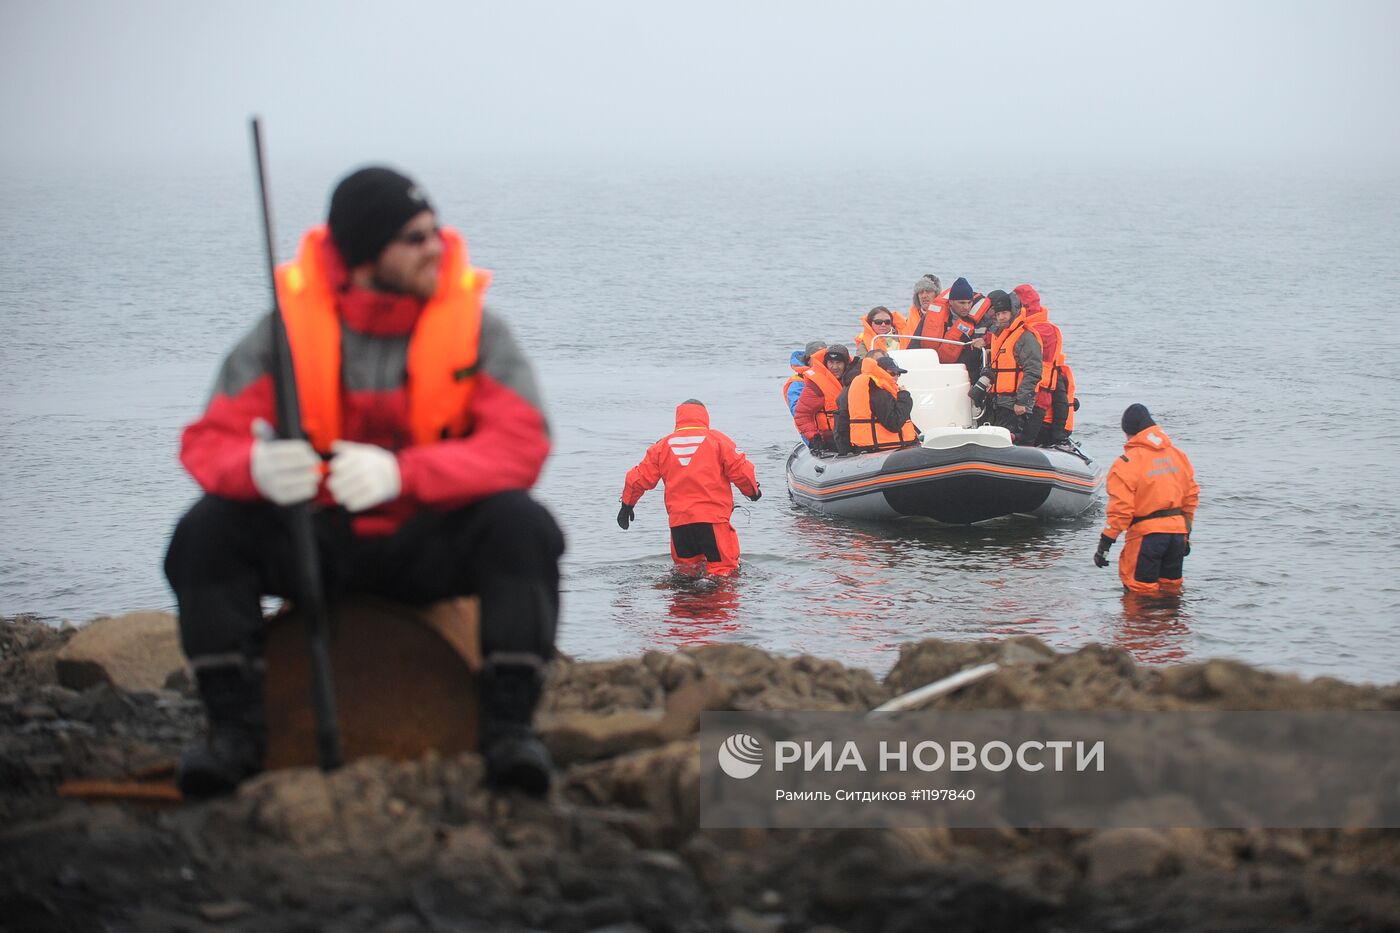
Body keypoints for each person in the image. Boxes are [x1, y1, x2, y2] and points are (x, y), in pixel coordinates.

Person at [164, 166, 564, 798]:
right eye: (413, 237)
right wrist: (256, 469)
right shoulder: (286, 332)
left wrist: (405, 475)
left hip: (424, 544)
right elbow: (209, 440)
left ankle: (509, 732)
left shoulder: (476, 329)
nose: (436, 246)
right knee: (205, 529)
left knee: (524, 525)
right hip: (316, 541)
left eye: (434, 230)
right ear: (363, 254)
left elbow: (524, 444)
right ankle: (233, 735)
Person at [617, 399, 760, 577]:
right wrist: (752, 491)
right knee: (724, 574)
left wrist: (626, 506)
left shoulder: (662, 446)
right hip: (713, 522)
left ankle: (685, 605)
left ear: (679, 418)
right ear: (704, 416)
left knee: (686, 574)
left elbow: (636, 478)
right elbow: (741, 469)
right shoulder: (717, 440)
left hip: (680, 525)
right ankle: (719, 603)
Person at [1095, 404, 1200, 596]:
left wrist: (1105, 544)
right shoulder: (1178, 456)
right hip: (1177, 536)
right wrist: (1186, 534)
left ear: (1129, 432)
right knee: (1172, 590)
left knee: (1139, 595)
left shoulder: (1126, 463)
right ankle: (1171, 625)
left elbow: (1121, 510)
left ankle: (1141, 626)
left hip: (1147, 537)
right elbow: (1191, 497)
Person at [968, 289, 1042, 442]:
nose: (1001, 318)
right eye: (998, 314)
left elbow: (1033, 371)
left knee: (1010, 441)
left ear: (1013, 312)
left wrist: (1022, 401)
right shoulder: (1000, 335)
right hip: (998, 402)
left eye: (1005, 313)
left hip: (1015, 405)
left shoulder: (1025, 337)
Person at [1012, 283, 1068, 447]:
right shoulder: (1037, 327)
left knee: (1026, 443)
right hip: (1033, 395)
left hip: (1036, 398)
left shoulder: (1039, 330)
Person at [836, 355, 918, 453]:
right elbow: (894, 423)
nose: (896, 377)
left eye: (898, 374)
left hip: (869, 448)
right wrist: (905, 397)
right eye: (892, 373)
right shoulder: (878, 391)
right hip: (882, 449)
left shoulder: (869, 387)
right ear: (881, 371)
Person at [793, 344, 852, 452]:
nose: (834, 367)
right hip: (830, 440)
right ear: (826, 363)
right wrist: (814, 437)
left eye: (838, 363)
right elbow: (802, 414)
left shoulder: (855, 379)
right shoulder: (816, 384)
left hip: (854, 437)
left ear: (846, 364)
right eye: (831, 363)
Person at [899, 275, 946, 351]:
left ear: (937, 294)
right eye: (920, 292)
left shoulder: (947, 318)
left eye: (928, 291)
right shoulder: (908, 320)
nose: (924, 296)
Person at [783, 340, 826, 418]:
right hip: (813, 428)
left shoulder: (832, 376)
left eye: (823, 357)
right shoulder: (797, 382)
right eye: (817, 358)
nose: (821, 361)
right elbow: (796, 412)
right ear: (808, 360)